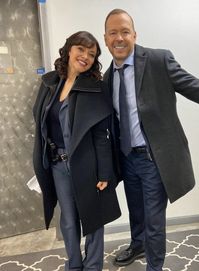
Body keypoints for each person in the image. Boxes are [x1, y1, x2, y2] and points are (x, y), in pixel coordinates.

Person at [103, 8, 199, 271]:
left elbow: (197, 88)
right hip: (127, 159)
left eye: (125, 32)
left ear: (134, 35)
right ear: (105, 39)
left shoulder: (157, 60)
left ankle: (155, 266)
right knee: (136, 212)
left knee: (154, 221)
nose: (119, 38)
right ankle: (137, 244)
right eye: (113, 33)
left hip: (154, 159)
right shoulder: (107, 78)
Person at [32, 31, 121, 271]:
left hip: (88, 163)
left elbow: (102, 135)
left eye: (91, 54)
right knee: (69, 221)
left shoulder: (96, 88)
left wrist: (105, 173)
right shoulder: (50, 82)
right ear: (69, 49)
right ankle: (74, 265)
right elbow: (41, 123)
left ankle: (92, 266)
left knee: (93, 218)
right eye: (81, 49)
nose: (85, 56)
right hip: (58, 164)